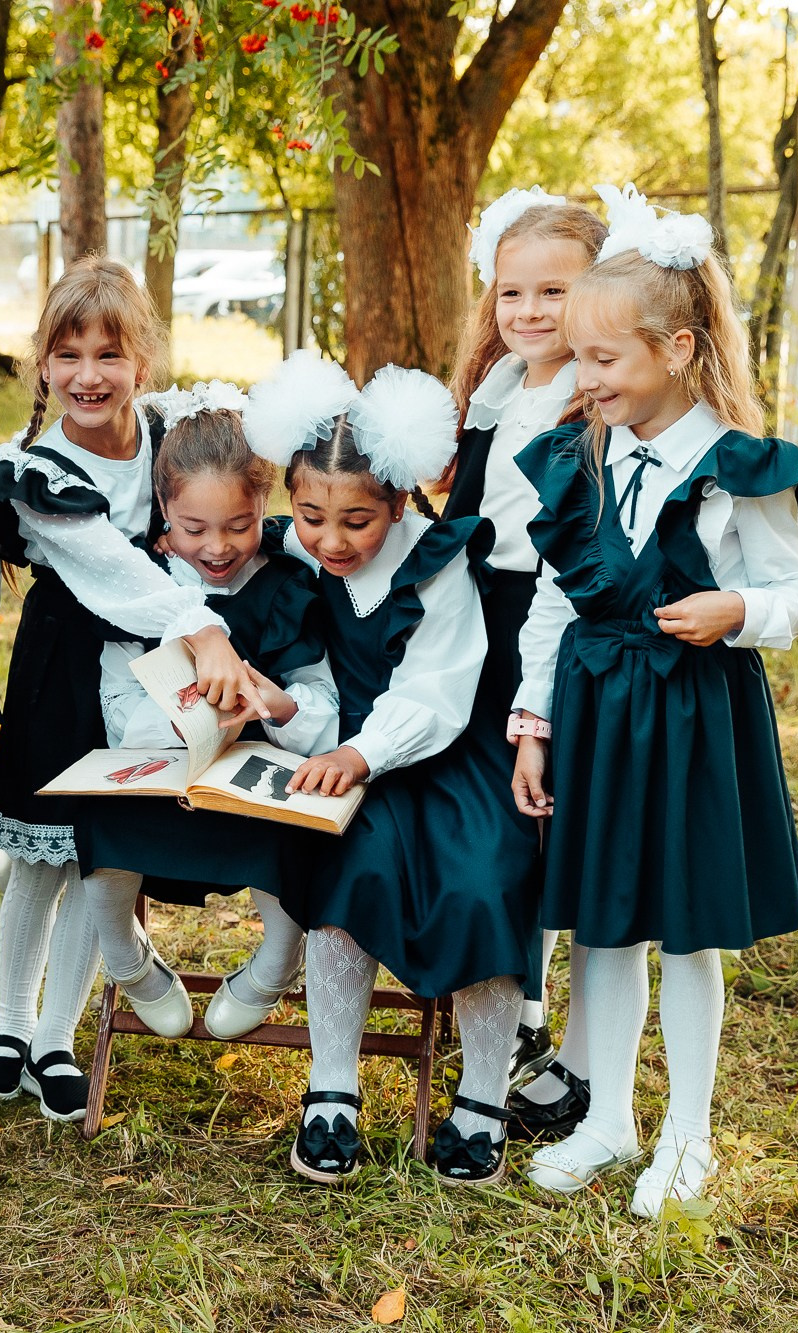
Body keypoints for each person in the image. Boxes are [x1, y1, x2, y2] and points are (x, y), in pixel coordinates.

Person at [509, 185, 798, 1216]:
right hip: (600, 713)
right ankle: (606, 1116)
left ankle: (686, 1133)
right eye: (576, 357)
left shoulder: (738, 470)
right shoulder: (583, 455)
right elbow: (550, 598)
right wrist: (534, 723)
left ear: (678, 348)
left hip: (694, 717)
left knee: (686, 932)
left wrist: (734, 607)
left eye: (604, 359)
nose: (584, 377)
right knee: (601, 927)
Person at [0, 257, 265, 1121]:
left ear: (143, 361)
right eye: (67, 354)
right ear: (42, 365)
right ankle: (11, 1025)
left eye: (108, 353)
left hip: (155, 681)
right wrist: (204, 630)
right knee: (40, 852)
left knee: (104, 852)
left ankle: (58, 1034)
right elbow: (114, 572)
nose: (88, 375)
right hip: (67, 662)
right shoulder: (36, 470)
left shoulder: (179, 427)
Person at [244, 352, 541, 1188]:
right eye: (310, 515)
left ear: (400, 502)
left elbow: (438, 687)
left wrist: (361, 753)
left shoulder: (435, 561)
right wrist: (289, 716)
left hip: (446, 749)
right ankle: (331, 1087)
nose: (331, 539)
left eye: (356, 521)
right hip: (346, 753)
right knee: (351, 861)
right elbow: (311, 678)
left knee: (484, 876)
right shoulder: (296, 560)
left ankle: (481, 1096)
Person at [74, 382, 339, 1043]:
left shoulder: (286, 589)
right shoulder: (145, 587)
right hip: (160, 767)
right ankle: (128, 959)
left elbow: (323, 701)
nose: (217, 548)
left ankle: (274, 965)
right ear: (165, 508)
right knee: (101, 815)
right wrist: (174, 746)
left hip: (262, 774)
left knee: (290, 833)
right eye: (194, 528)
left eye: (239, 526)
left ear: (264, 508)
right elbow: (117, 697)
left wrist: (280, 705)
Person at [445, 187, 609, 1135]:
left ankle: (539, 1013)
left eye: (555, 289)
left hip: (548, 620)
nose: (530, 313)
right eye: (512, 294)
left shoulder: (594, 402)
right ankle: (520, 1000)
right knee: (505, 813)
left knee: (539, 813)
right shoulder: (495, 393)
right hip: (481, 615)